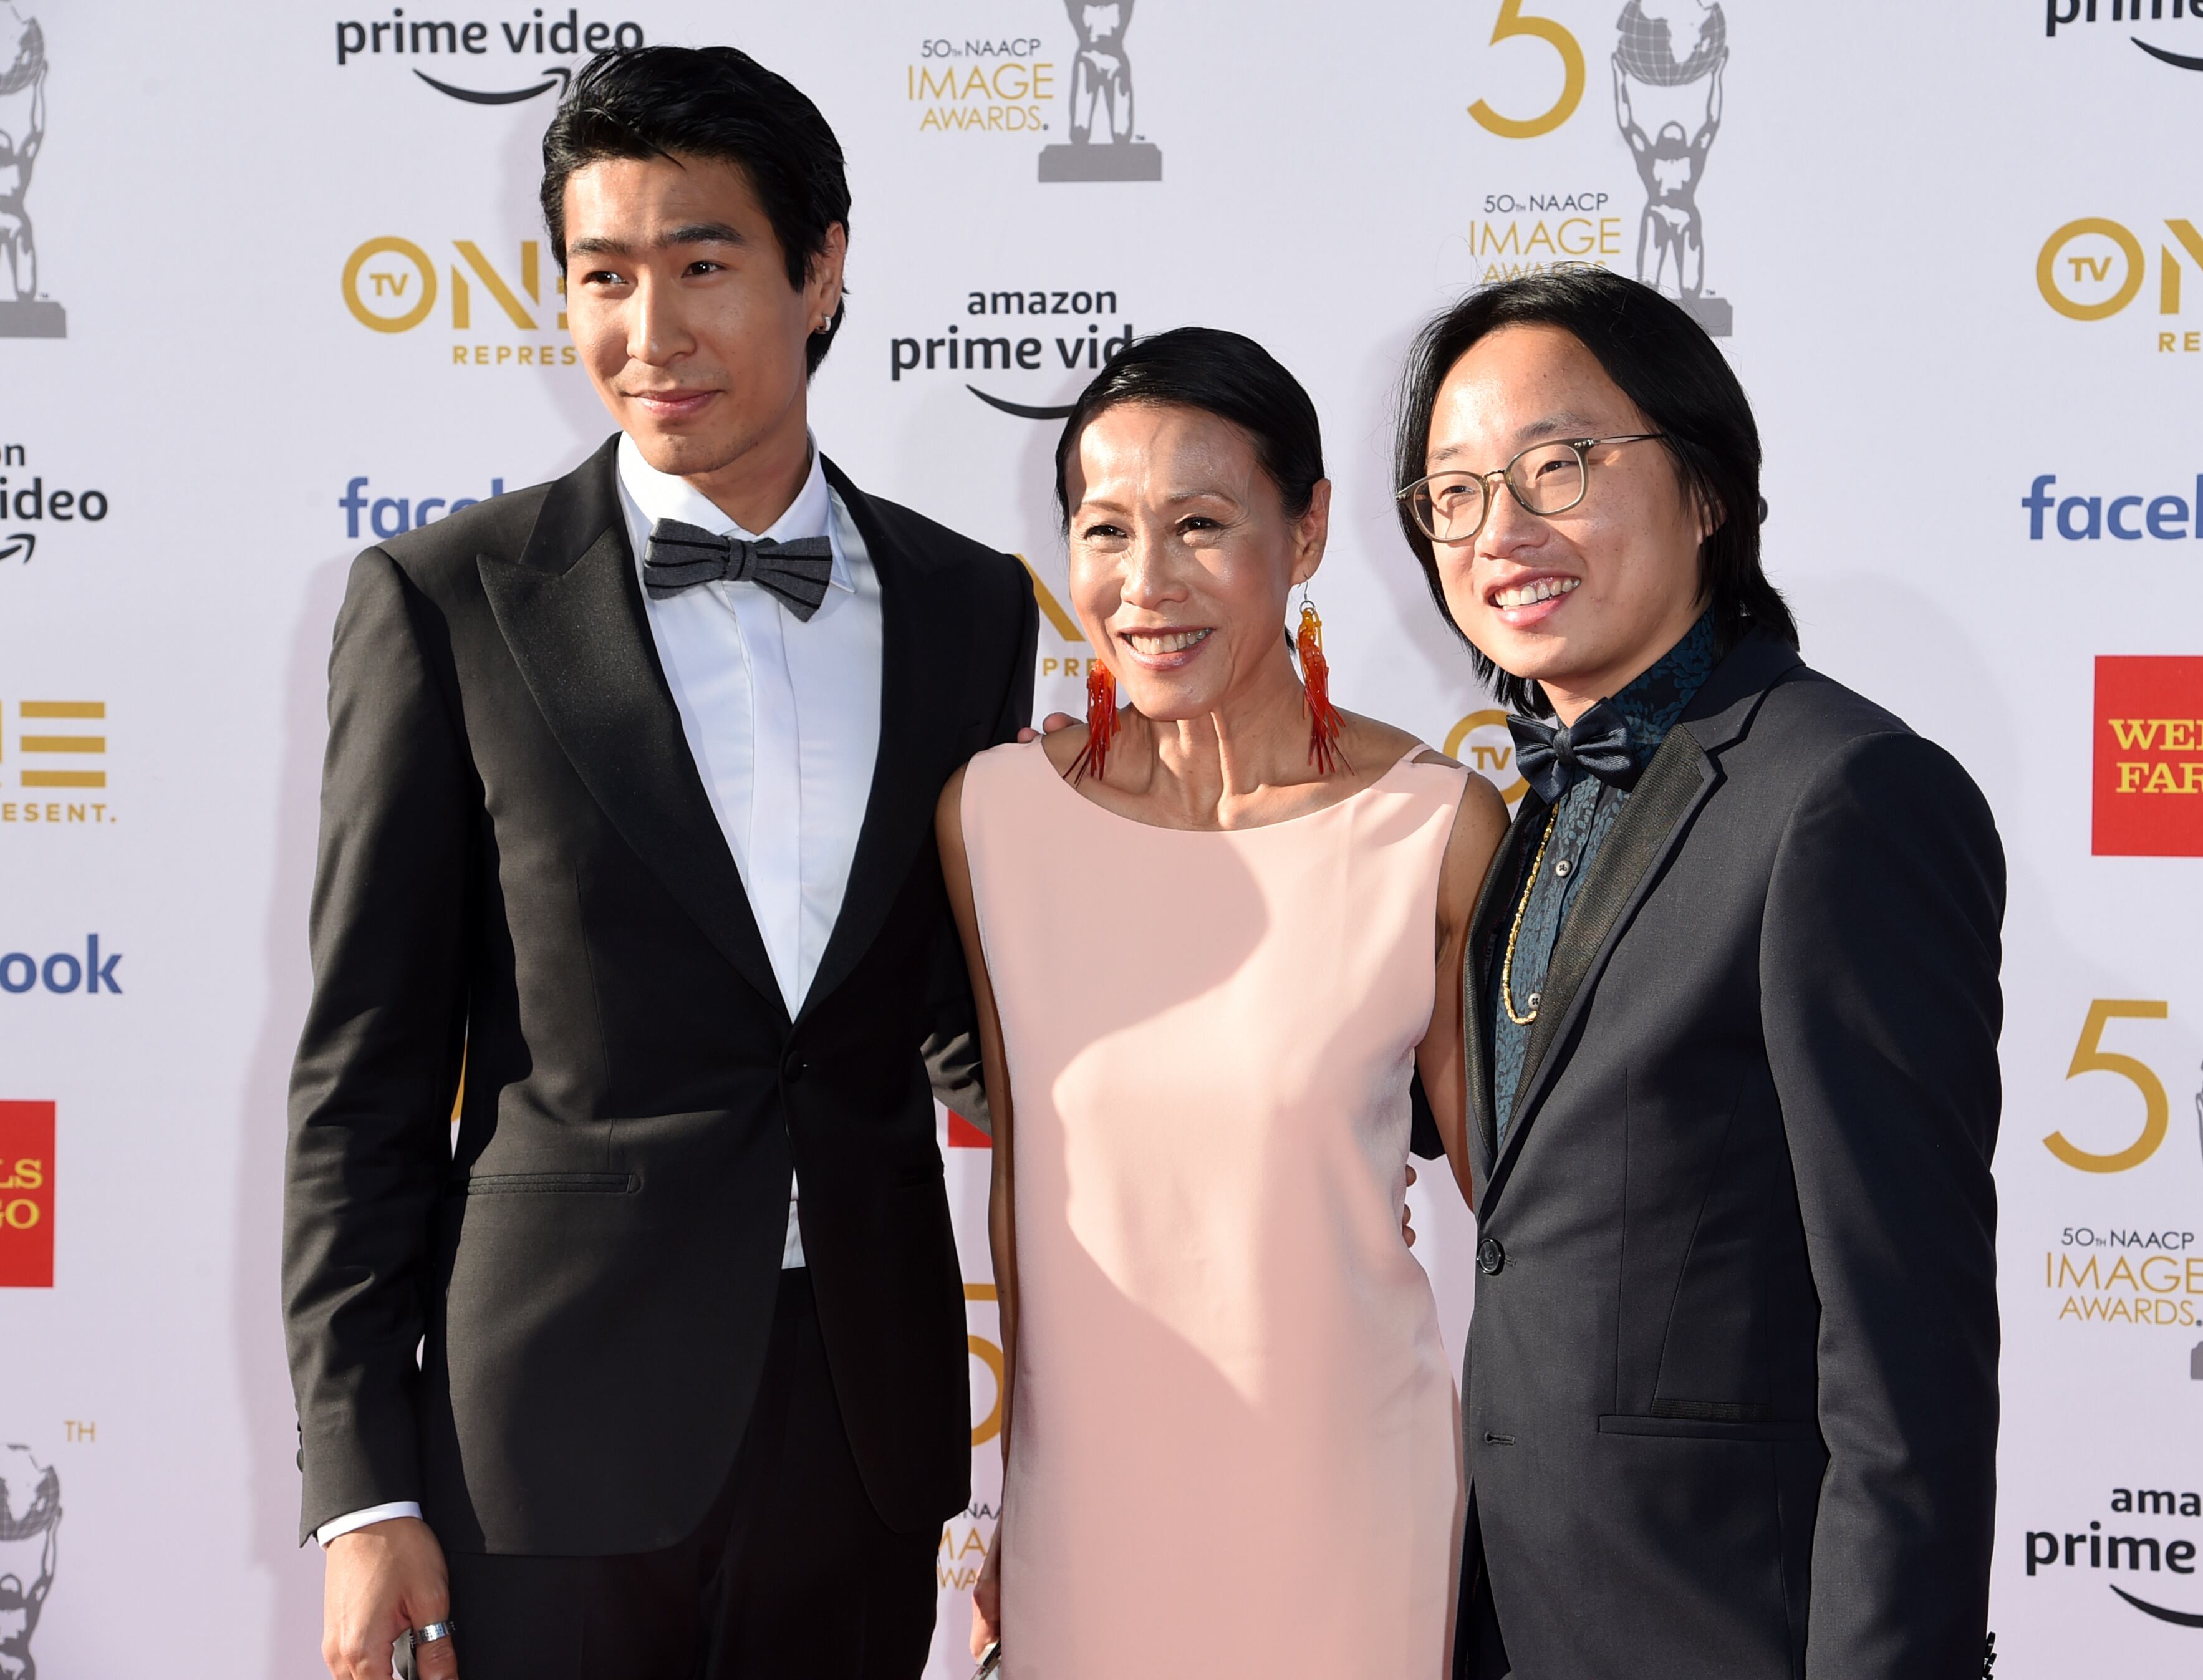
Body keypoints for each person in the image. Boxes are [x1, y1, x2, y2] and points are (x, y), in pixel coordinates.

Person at [281, 46, 1034, 1680]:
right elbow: (364, 1076)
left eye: (703, 265)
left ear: (821, 264)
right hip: (549, 1428)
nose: (650, 331)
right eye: (603, 276)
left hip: (865, 1410)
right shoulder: (447, 599)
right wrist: (360, 1487)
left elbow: (970, 1010)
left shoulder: (976, 608)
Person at [1391, 269, 2003, 1678]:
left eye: (1559, 466)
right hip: (1525, 1613)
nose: (1505, 533)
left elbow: (1906, 1350)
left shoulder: (1844, 797)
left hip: (1730, 1626)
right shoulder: (1531, 802)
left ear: (1709, 488)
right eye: (1458, 494)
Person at [939, 327, 1508, 1677]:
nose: (1144, 587)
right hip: (1093, 1515)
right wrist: (1017, 1506)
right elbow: (1025, 1188)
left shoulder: (1433, 830)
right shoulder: (997, 819)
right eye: (1105, 530)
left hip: (1352, 1509)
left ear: (1306, 532)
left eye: (1201, 525)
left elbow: (1526, 1218)